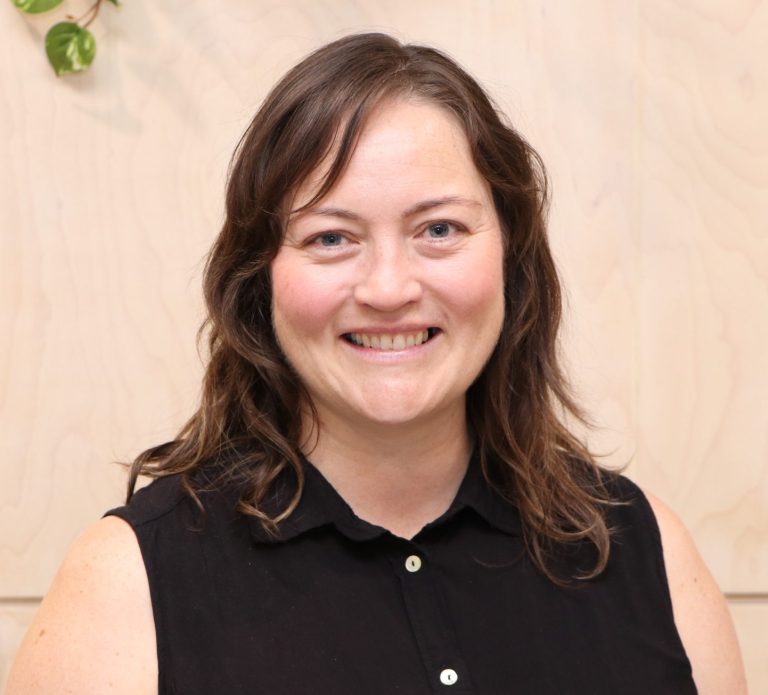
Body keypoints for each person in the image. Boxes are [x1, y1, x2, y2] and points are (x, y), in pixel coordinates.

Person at [7, 33, 746, 695]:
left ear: (509, 255)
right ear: (258, 278)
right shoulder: (127, 583)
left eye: (439, 228)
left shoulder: (647, 552)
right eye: (332, 237)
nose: (389, 288)